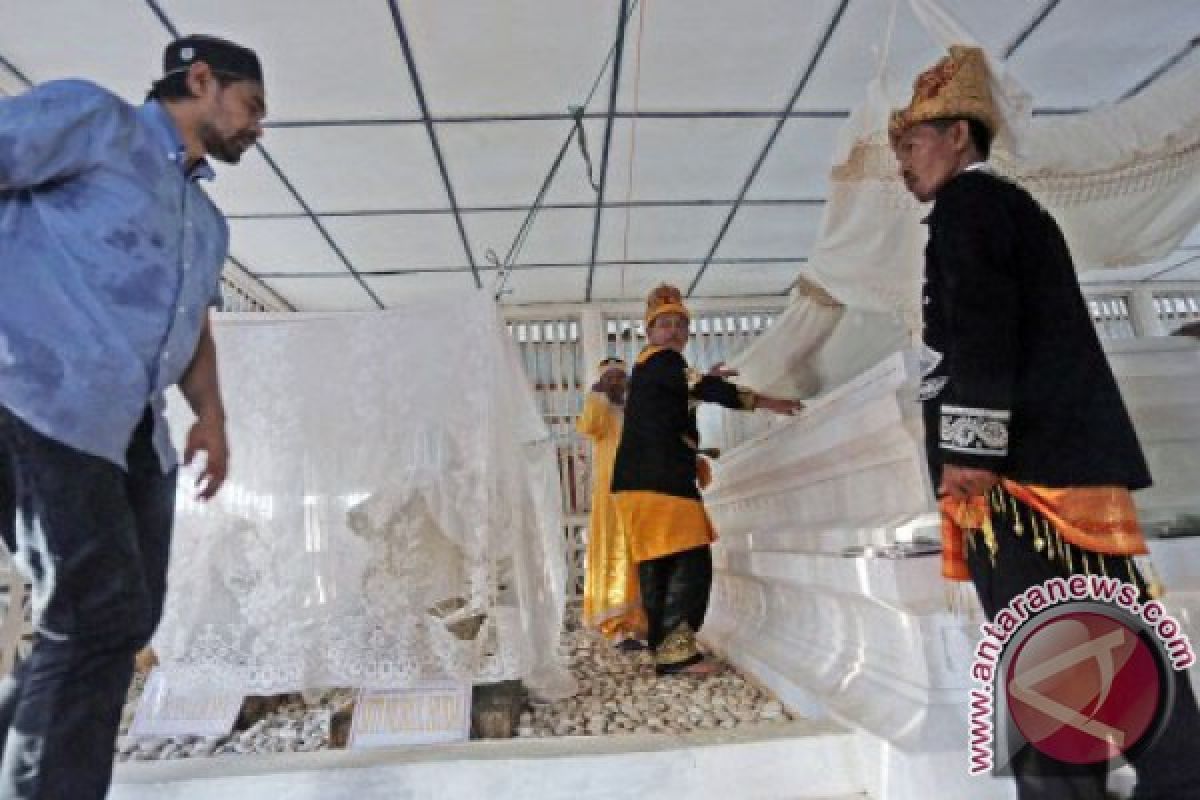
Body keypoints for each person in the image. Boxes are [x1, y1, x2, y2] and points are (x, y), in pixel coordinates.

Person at [891, 45, 1200, 800]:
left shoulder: (969, 206)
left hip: (1025, 479)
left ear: (958, 135)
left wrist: (967, 455)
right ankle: (1175, 776)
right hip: (1060, 464)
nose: (902, 163)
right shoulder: (1007, 209)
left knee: (1048, 640)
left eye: (911, 142)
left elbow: (983, 332)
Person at [0, 34, 264, 799]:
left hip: (133, 432)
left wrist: (210, 417)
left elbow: (193, 327)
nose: (257, 127)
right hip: (39, 400)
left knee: (125, 618)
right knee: (93, 614)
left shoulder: (208, 223)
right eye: (251, 107)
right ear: (203, 80)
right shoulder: (97, 121)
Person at [611, 285, 801, 675]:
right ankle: (678, 653)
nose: (674, 332)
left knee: (659, 563)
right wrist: (767, 402)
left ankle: (664, 650)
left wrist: (697, 390)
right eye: (665, 324)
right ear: (650, 332)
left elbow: (683, 396)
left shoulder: (654, 368)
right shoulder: (663, 361)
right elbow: (702, 386)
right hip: (660, 482)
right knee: (690, 562)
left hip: (640, 483)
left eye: (681, 325)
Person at [577, 357, 648, 650]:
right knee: (614, 551)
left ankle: (639, 623)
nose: (616, 382)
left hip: (639, 492)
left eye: (621, 377)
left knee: (639, 554)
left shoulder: (636, 410)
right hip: (610, 495)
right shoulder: (601, 411)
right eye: (610, 378)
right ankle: (616, 627)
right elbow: (589, 427)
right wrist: (596, 396)